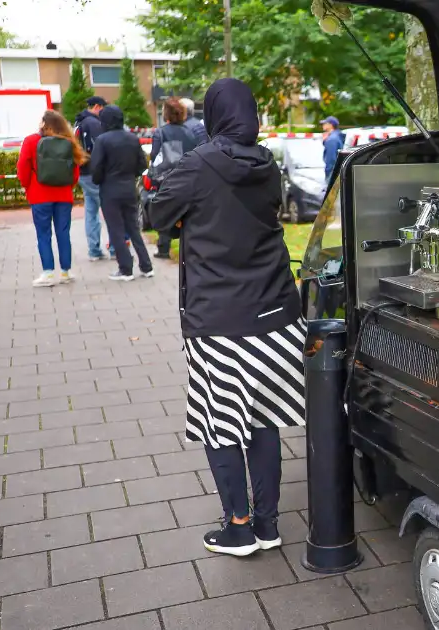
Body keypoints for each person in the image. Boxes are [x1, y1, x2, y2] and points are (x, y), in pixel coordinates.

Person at [150, 78, 303, 556]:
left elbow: (155, 216)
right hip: (276, 314)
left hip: (220, 320)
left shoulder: (197, 165)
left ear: (214, 114)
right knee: (263, 420)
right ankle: (268, 523)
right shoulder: (267, 164)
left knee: (220, 422)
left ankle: (239, 527)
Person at [17, 110, 84, 287]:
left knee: (43, 235)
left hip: (40, 195)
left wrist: (27, 186)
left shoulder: (31, 140)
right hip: (63, 195)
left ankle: (47, 273)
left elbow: (23, 167)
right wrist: (67, 187)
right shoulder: (68, 142)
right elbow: (75, 173)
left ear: (43, 123)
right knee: (63, 233)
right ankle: (65, 271)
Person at [91, 105, 153, 282]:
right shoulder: (132, 138)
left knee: (116, 229)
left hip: (110, 189)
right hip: (129, 188)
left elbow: (96, 168)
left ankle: (126, 269)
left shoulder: (102, 140)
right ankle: (146, 266)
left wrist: (100, 179)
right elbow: (142, 165)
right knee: (134, 228)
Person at [150, 98, 198, 259]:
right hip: (187, 176)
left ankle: (163, 248)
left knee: (166, 211)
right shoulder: (190, 133)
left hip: (166, 178)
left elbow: (154, 155)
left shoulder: (161, 132)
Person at [75, 96, 111, 261]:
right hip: (93, 173)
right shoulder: (94, 123)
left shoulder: (80, 122)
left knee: (91, 211)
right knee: (110, 209)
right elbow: (98, 149)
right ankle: (116, 248)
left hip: (82, 172)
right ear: (97, 107)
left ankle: (94, 249)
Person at [319, 115, 344, 185]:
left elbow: (331, 159)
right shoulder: (335, 136)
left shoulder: (332, 139)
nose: (323, 125)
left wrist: (328, 174)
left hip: (332, 173)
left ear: (331, 125)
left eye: (325, 123)